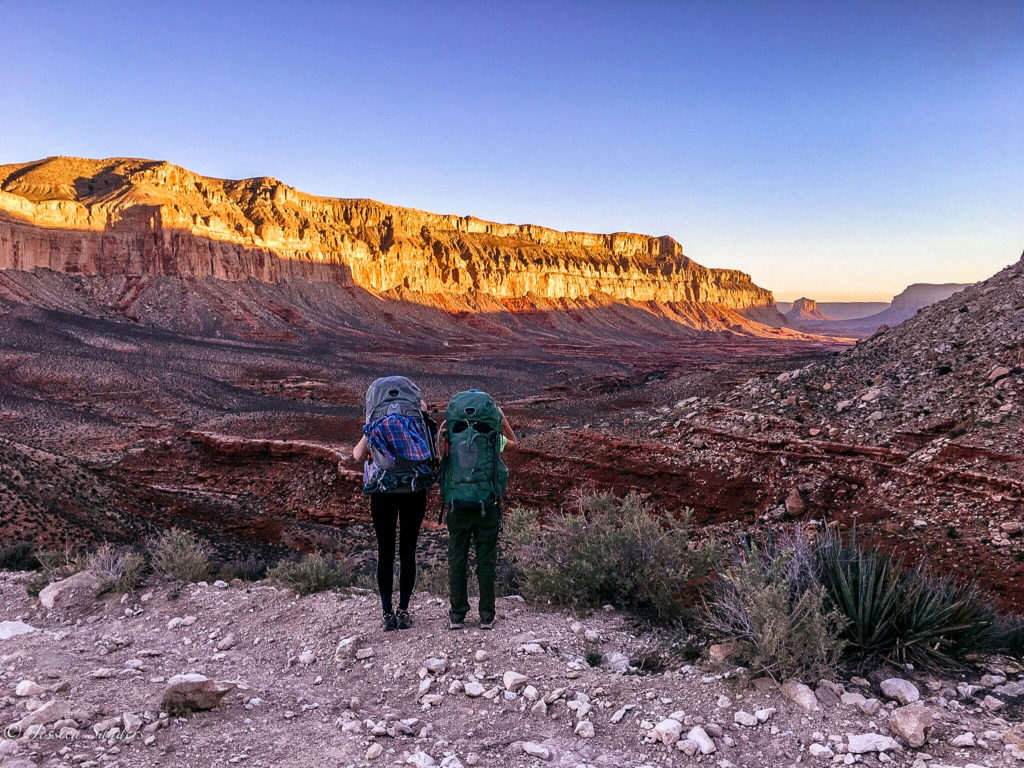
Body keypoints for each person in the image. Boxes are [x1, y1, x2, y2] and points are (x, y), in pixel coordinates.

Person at [354, 376, 438, 632]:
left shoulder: (376, 423)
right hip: (413, 491)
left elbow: (357, 455)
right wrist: (423, 417)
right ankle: (404, 611)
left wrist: (371, 433)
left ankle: (386, 613)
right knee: (408, 551)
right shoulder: (419, 423)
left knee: (385, 553)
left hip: (382, 493)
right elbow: (433, 454)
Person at [437, 389, 516, 630]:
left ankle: (457, 615)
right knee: (486, 560)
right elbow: (514, 444)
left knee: (457, 559)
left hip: (457, 505)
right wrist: (501, 419)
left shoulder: (451, 435)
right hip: (486, 505)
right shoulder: (492, 439)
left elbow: (442, 461)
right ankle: (486, 616)